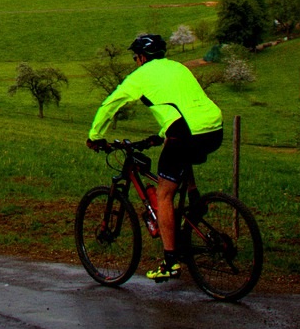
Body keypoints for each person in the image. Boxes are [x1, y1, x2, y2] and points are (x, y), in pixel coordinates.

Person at [87, 33, 225, 281]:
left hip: (188, 132)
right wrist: (161, 135)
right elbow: (180, 104)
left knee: (164, 194)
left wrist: (95, 135)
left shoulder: (141, 75)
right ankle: (195, 200)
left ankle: (170, 261)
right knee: (176, 148)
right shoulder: (178, 67)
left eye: (135, 57)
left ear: (141, 58)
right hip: (214, 127)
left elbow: (111, 104)